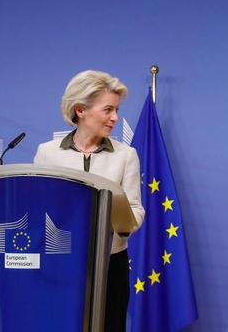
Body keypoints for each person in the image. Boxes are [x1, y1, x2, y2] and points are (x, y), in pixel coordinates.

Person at [34, 70, 145, 332]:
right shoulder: (47, 153)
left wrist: (120, 220)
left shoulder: (126, 155)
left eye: (116, 110)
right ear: (81, 109)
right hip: (60, 263)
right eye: (108, 110)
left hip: (111, 265)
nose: (115, 118)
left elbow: (136, 210)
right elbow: (39, 209)